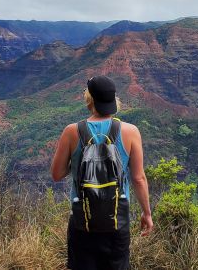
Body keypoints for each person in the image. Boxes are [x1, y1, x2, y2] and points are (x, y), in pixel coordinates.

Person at [50, 75, 153, 270]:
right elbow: (138, 178)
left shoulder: (72, 132)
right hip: (117, 221)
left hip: (82, 222)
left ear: (90, 99)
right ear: (114, 100)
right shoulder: (131, 132)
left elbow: (56, 174)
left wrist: (78, 161)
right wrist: (146, 213)